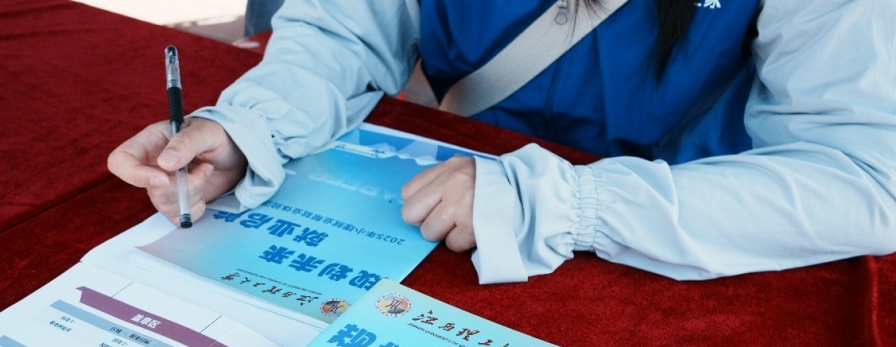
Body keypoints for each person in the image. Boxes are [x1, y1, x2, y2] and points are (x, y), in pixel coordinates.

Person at [108, 0, 896, 283]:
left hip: (671, 230)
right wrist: (250, 128)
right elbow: (345, 29)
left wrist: (570, 204)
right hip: (433, 205)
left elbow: (866, 175)